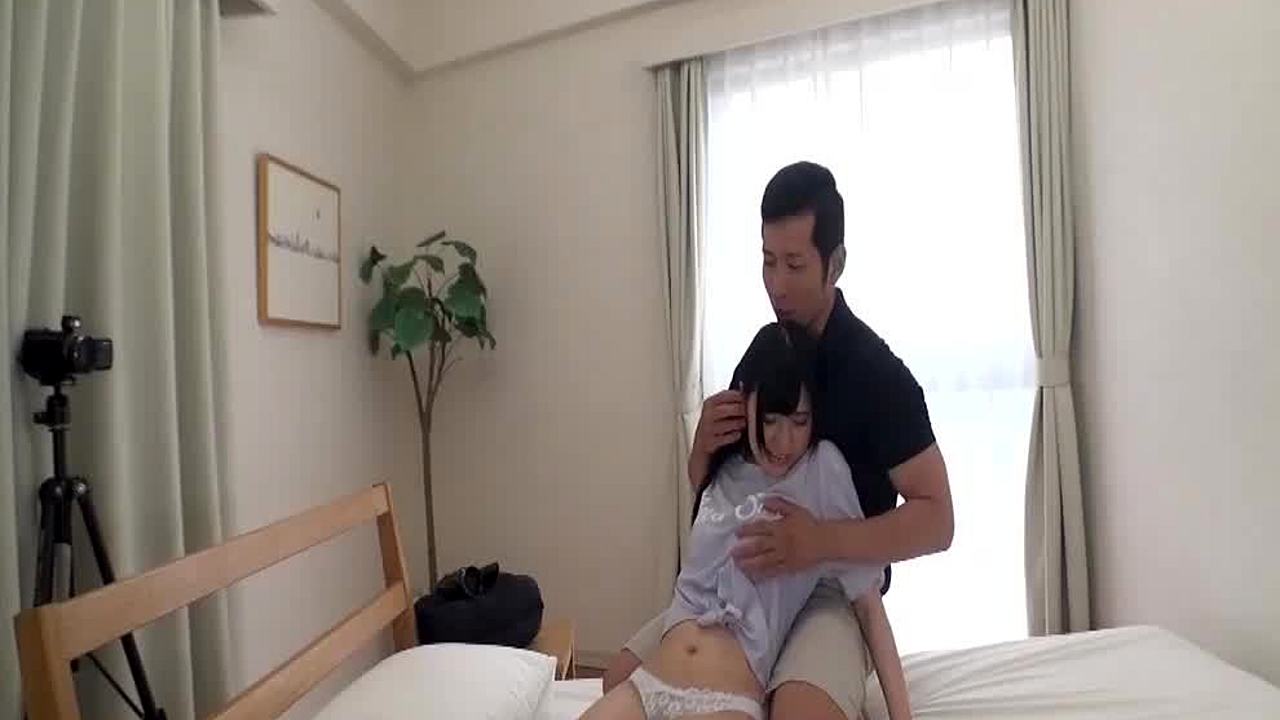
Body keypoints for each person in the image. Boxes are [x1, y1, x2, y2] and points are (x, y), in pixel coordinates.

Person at [604, 162, 953, 720]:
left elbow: (939, 521)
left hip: (832, 585)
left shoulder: (879, 378)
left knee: (798, 711)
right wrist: (700, 454)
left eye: (794, 265)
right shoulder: (767, 358)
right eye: (768, 261)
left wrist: (819, 541)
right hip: (748, 575)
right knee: (618, 679)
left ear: (835, 263)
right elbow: (719, 494)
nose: (777, 285)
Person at [581, 323, 911, 720]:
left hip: (723, 701)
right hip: (649, 684)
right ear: (745, 400)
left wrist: (902, 717)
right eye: (770, 419)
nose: (783, 442)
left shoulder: (821, 470)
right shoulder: (725, 460)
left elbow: (870, 608)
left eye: (800, 421)